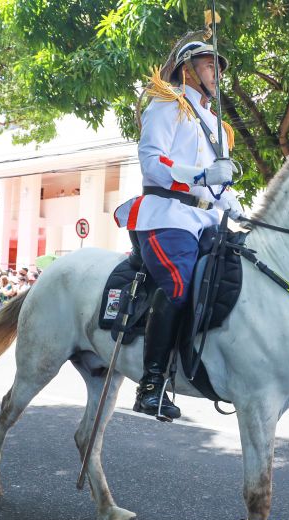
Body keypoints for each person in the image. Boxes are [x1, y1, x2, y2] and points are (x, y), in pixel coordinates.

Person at [112, 39, 243, 420]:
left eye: (219, 66)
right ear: (187, 68)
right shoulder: (168, 104)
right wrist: (199, 174)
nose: (217, 73)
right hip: (167, 216)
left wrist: (234, 204)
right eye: (209, 64)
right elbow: (152, 162)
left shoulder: (218, 126)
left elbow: (217, 188)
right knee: (180, 283)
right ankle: (151, 384)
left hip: (205, 220)